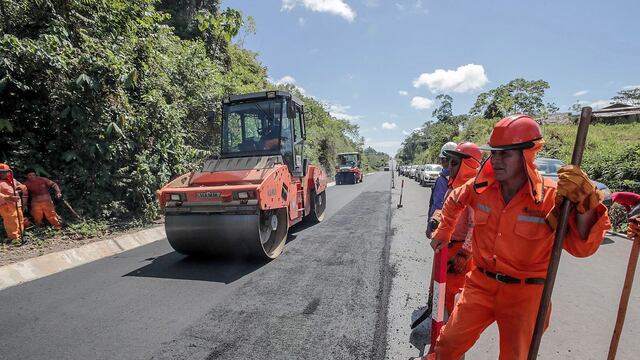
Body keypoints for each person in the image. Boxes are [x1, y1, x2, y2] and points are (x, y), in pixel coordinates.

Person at [426, 115, 611, 360]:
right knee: (448, 345)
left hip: (526, 297)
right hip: (480, 285)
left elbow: (582, 248)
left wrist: (585, 208)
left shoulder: (552, 198)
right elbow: (453, 200)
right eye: (495, 153)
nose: (497, 160)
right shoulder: (481, 188)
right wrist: (444, 231)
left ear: (527, 154)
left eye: (506, 154)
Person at [437, 142, 482, 315]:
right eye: (450, 162)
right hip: (449, 246)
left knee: (454, 293)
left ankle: (448, 329)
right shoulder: (455, 186)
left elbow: (474, 224)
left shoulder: (473, 190)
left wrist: (464, 253)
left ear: (468, 164)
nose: (450, 167)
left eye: (455, 163)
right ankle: (441, 324)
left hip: (459, 249)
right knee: (444, 289)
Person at [426, 142, 457, 238]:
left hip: (441, 225)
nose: (442, 162)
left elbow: (438, 204)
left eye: (443, 160)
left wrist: (430, 224)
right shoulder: (462, 178)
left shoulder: (442, 179)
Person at [0, 163, 28, 243]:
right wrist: (7, 197)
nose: (3, 174)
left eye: (5, 172)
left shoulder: (13, 180)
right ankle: (14, 238)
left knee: (20, 219)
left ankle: (20, 235)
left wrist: (21, 188)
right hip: (5, 206)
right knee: (11, 221)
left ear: (9, 172)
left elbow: (23, 187)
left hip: (17, 204)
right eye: (1, 172)